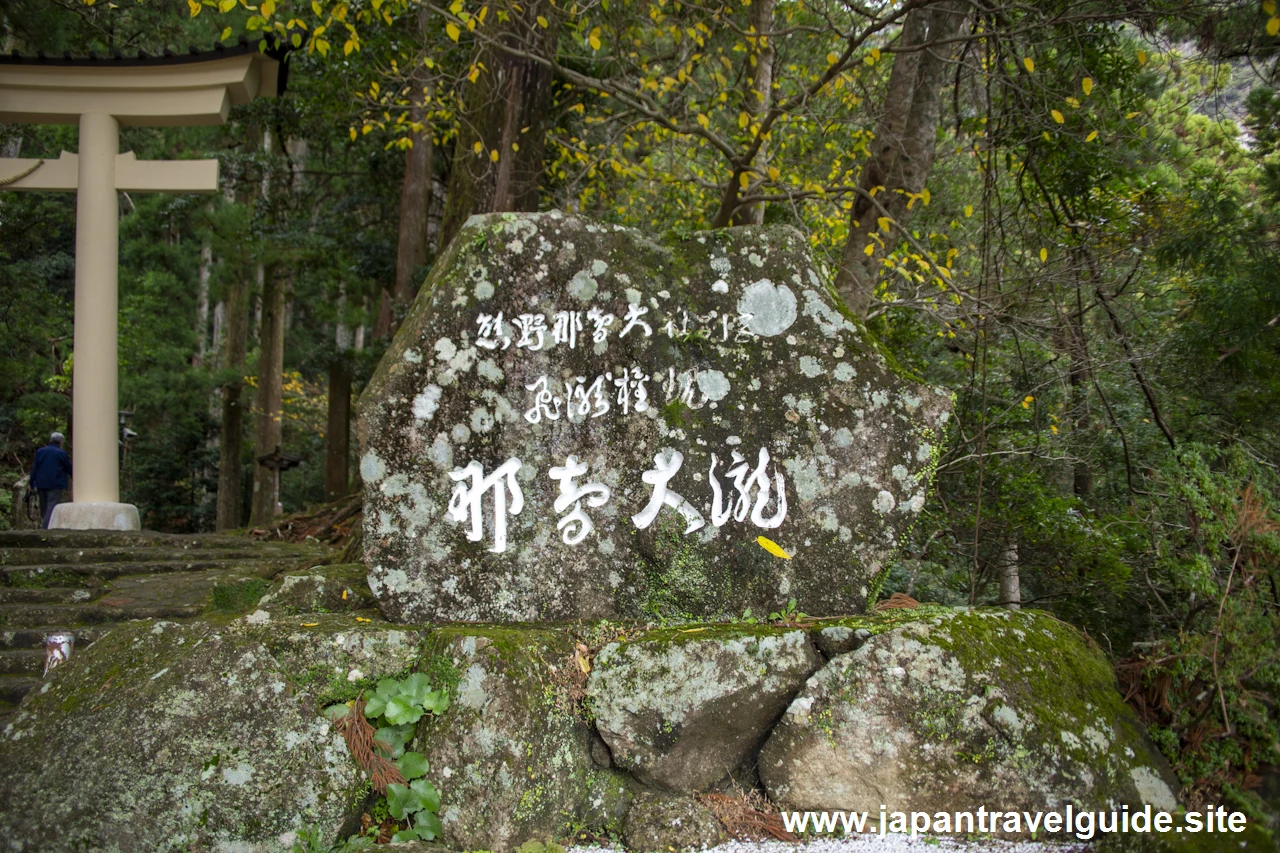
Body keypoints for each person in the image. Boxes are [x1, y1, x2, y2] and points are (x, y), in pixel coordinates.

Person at [30, 432, 73, 529]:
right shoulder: (61, 453)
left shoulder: (41, 451)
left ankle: (45, 525)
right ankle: (45, 528)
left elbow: (35, 468)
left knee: (44, 507)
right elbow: (69, 468)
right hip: (55, 483)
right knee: (52, 506)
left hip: (41, 483)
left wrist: (31, 482)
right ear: (61, 442)